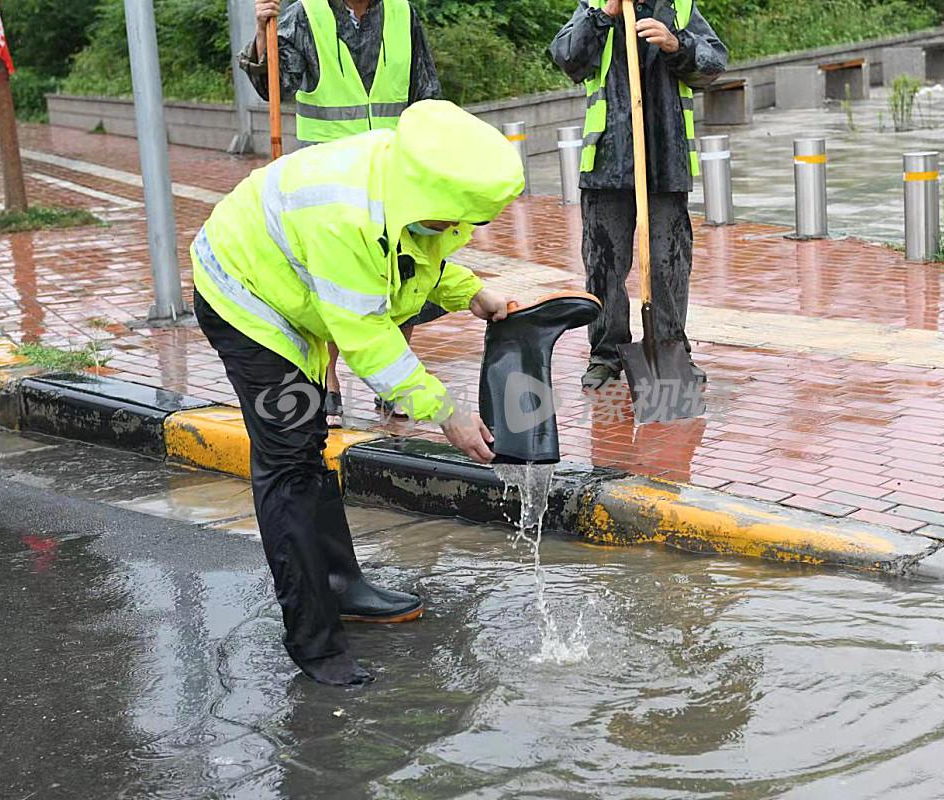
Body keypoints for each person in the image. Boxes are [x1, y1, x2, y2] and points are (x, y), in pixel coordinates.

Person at [191, 101, 524, 686]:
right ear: (431, 199)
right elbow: (368, 337)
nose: (457, 234)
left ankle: (342, 585)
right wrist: (446, 414)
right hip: (246, 300)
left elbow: (411, 254)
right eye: (454, 223)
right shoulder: (345, 216)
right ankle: (314, 643)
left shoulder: (402, 183)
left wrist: (471, 292)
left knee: (309, 443)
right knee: (289, 462)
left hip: (295, 287)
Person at [241, 0, 444, 418]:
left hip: (392, 169)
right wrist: (263, 36)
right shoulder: (304, 14)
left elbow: (426, 93)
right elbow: (275, 85)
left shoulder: (402, 13)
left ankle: (396, 381)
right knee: (332, 277)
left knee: (402, 273)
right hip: (329, 176)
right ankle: (326, 376)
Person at [550, 0, 726, 390]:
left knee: (668, 264)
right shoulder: (596, 6)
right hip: (608, 161)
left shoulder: (678, 8)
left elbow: (714, 63)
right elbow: (567, 59)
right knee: (604, 266)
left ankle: (669, 349)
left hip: (665, 161)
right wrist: (603, 16)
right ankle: (606, 354)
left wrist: (676, 44)